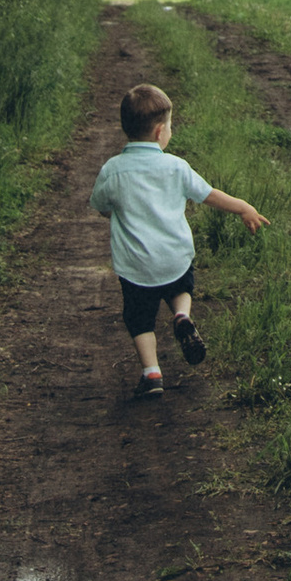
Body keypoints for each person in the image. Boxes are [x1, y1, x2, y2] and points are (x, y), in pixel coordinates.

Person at [90, 80, 267, 402]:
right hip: (174, 257)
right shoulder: (176, 167)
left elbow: (101, 205)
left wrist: (113, 210)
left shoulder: (113, 170)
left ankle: (151, 373)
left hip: (136, 266)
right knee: (181, 287)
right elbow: (208, 195)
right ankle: (182, 315)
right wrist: (243, 207)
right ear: (161, 132)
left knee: (139, 319)